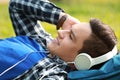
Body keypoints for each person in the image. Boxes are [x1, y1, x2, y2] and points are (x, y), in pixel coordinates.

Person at [0, 0, 118, 80]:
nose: (60, 32)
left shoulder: (52, 75)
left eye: (71, 36)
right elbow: (17, 4)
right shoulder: (43, 40)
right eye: (70, 29)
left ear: (82, 61)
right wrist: (61, 18)